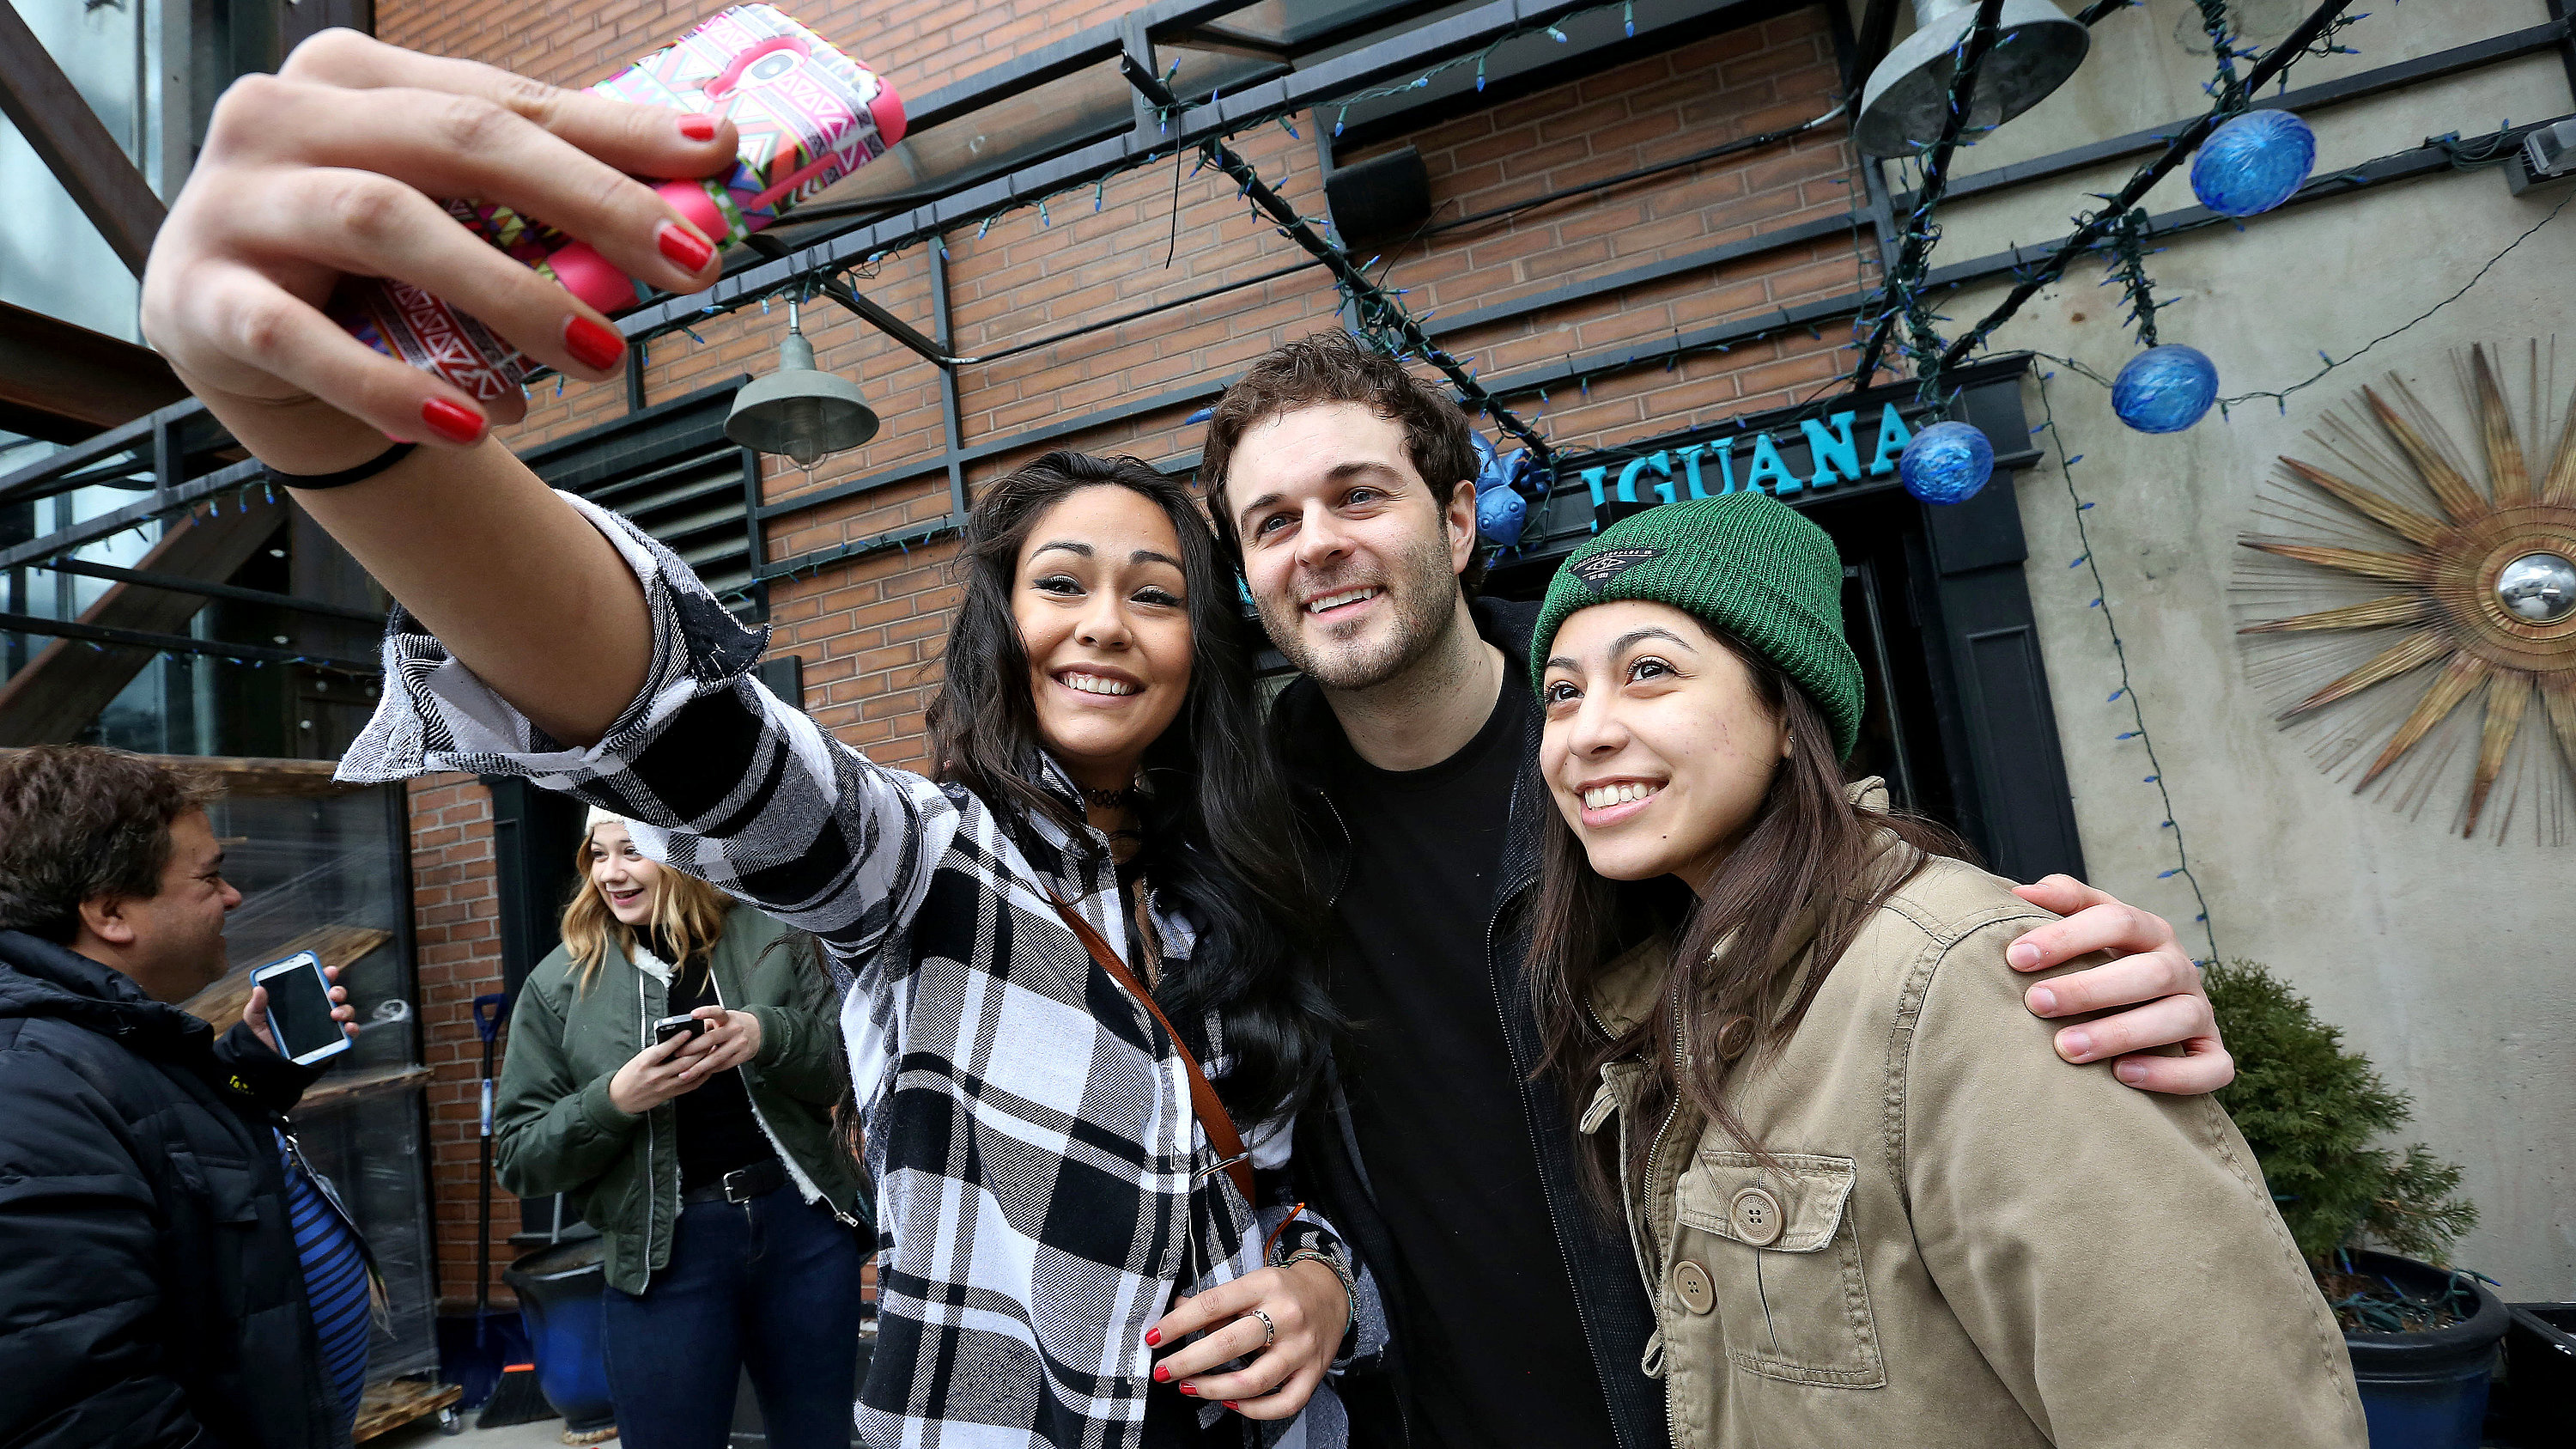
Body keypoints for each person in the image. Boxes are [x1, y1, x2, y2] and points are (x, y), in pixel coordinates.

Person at [138, 30, 2226, 1447]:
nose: (1135, 609)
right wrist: (344, 441)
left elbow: (1854, 943)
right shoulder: (974, 862)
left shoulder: (1560, 777)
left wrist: (2065, 990)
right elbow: (683, 726)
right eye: (1083, 576)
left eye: (1173, 573)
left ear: (1446, 512)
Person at [1195, 332, 2243, 1448]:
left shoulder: (1639, 774)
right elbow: (1277, 1134)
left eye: (1357, 496)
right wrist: (1319, 1271)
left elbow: (1852, 908)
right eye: (1273, 521)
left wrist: (2037, 983)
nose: (1318, 544)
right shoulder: (1240, 837)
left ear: (1458, 523)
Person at [1516, 492, 2364, 1446]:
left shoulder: (1967, 979)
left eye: (1650, 672)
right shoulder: (1681, 989)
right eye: (1562, 691)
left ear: (1790, 713)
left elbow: (2217, 1411)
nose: (1586, 731)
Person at [0, 744, 364, 1447]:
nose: (232, 896)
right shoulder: (29, 1087)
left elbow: (168, 1140)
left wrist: (254, 1068)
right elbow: (85, 1412)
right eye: (210, 875)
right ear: (110, 912)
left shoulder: (104, 1039)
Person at [492, 808, 871, 1449]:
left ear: (681, 852)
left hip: (798, 1232)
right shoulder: (558, 982)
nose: (613, 873)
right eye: (599, 853)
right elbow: (521, 1157)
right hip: (663, 1254)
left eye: (632, 851)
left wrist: (765, 1033)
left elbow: (847, 1070)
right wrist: (614, 1100)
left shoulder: (774, 931)